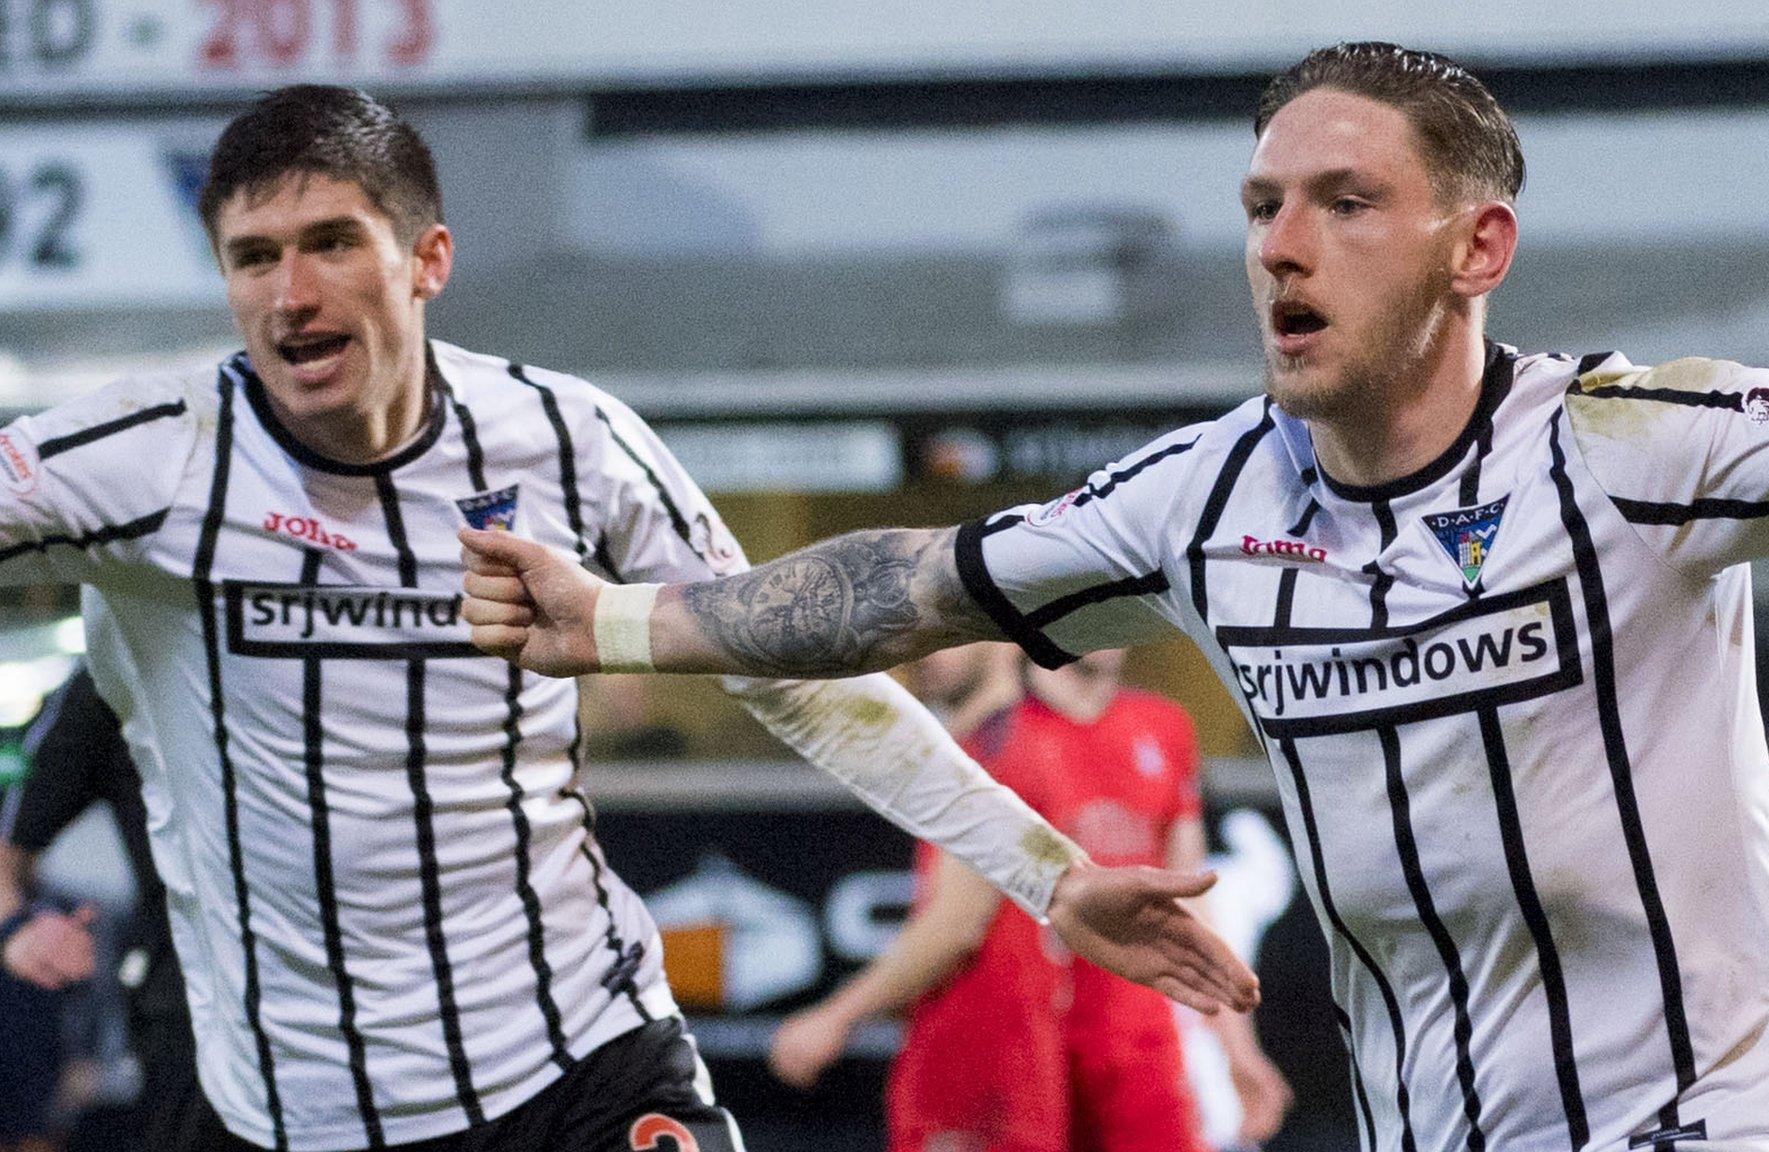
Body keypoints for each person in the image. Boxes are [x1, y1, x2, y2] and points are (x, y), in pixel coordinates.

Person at [460, 39, 1769, 1152]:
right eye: (1262, 209)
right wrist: (608, 622)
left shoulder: (1631, 444)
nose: (1283, 249)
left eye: (1345, 205)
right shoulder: (1203, 498)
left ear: (1475, 245)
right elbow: (906, 591)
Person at [0, 86, 1255, 1152]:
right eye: (253, 257)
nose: (291, 293)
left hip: (579, 1059)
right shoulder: (147, 458)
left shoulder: (568, 437)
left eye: (332, 242)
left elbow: (793, 675)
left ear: (428, 258)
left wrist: (1048, 878)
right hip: (295, 1107)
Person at [769, 649, 1291, 1152]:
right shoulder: (993, 742)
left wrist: (1237, 1049)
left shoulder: (1159, 726)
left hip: (1129, 1038)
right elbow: (956, 923)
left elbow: (1191, 900)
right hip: (1021, 1043)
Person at [0, 666, 211, 1150]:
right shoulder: (112, 670)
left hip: (387, 994)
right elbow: (7, 850)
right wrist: (16, 930)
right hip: (193, 1009)